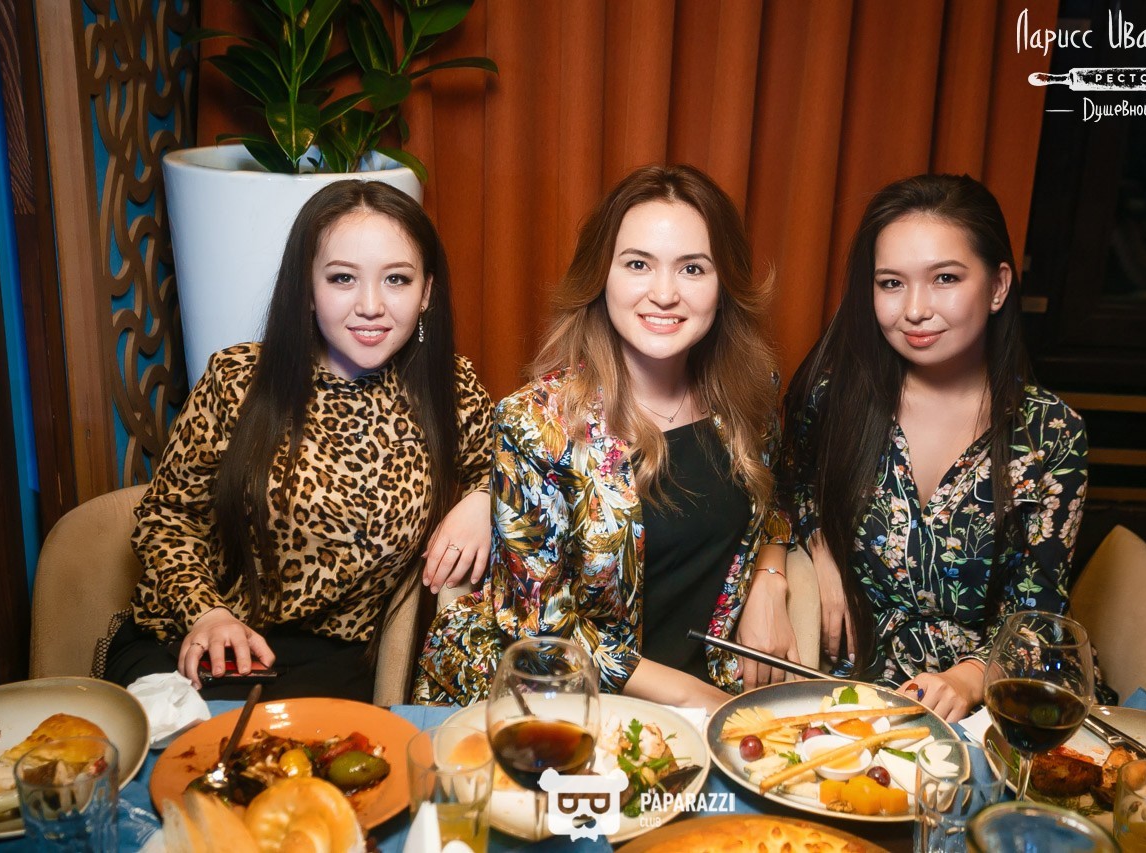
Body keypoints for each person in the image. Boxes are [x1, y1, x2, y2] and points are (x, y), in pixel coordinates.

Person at [416, 165, 793, 709]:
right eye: (638, 264)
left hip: (707, 697)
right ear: (603, 275)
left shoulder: (750, 395)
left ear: (723, 284)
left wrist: (770, 577)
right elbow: (541, 634)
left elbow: (772, 500)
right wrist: (695, 698)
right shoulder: (535, 423)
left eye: (692, 268)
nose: (664, 293)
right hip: (560, 702)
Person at [103, 180, 493, 701]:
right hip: (194, 638)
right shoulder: (237, 379)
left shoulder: (450, 390)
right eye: (342, 278)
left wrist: (486, 498)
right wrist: (207, 613)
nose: (371, 305)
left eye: (396, 279)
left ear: (426, 293)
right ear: (307, 288)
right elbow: (167, 518)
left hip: (331, 662)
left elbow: (521, 470)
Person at [779, 174, 1088, 722]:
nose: (915, 309)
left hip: (993, 702)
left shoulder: (1052, 432)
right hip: (855, 692)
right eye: (891, 283)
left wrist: (967, 680)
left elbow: (1038, 612)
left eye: (945, 278)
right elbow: (788, 489)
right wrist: (820, 548)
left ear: (998, 287)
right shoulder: (834, 400)